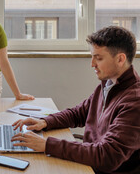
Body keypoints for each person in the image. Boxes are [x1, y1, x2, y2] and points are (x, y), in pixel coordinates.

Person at [11, 26, 140, 173]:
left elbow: (107, 156)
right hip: (88, 163)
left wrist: (48, 145)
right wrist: (46, 121)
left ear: (120, 59)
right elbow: (79, 113)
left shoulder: (134, 102)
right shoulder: (108, 85)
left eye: (98, 58)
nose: (92, 64)